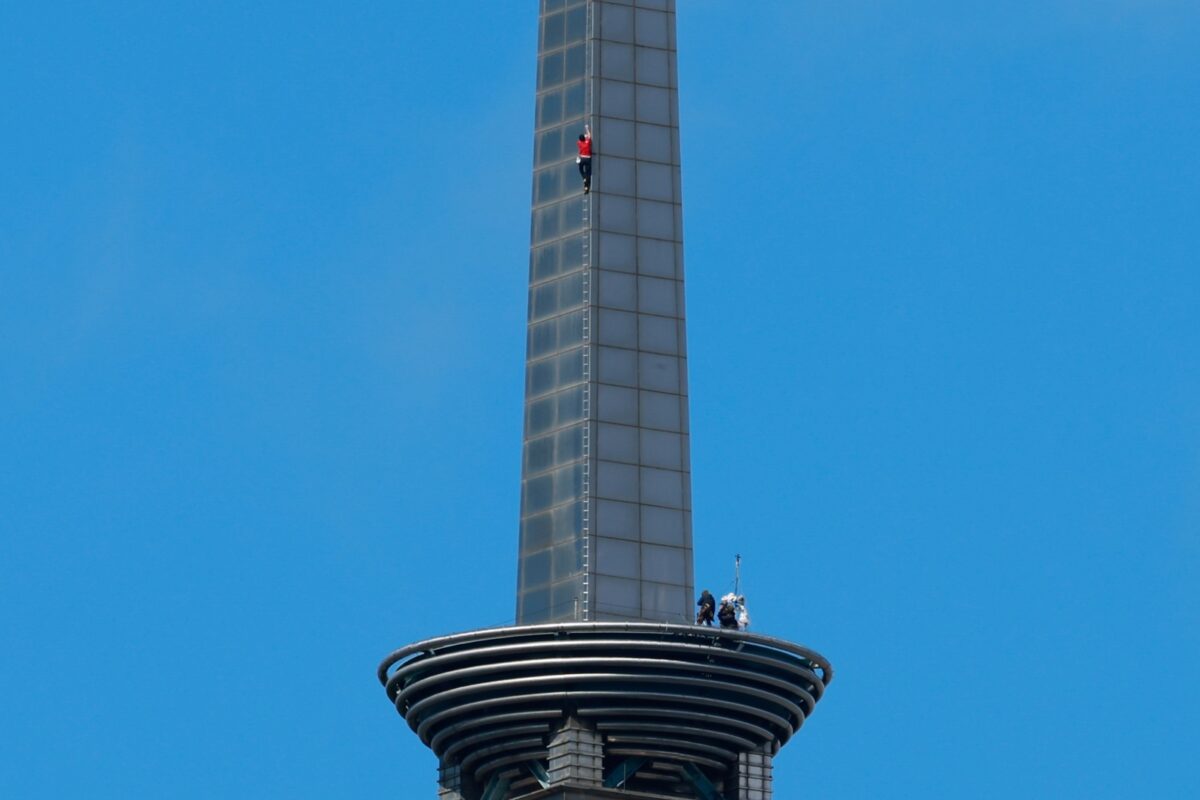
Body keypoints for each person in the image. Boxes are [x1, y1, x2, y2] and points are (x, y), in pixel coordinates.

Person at [576, 124, 593, 194]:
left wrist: (584, 136)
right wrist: (587, 128)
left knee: (581, 169)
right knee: (588, 173)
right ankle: (587, 187)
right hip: (588, 159)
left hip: (582, 158)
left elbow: (581, 139)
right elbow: (589, 135)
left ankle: (584, 178)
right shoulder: (587, 142)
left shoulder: (579, 143)